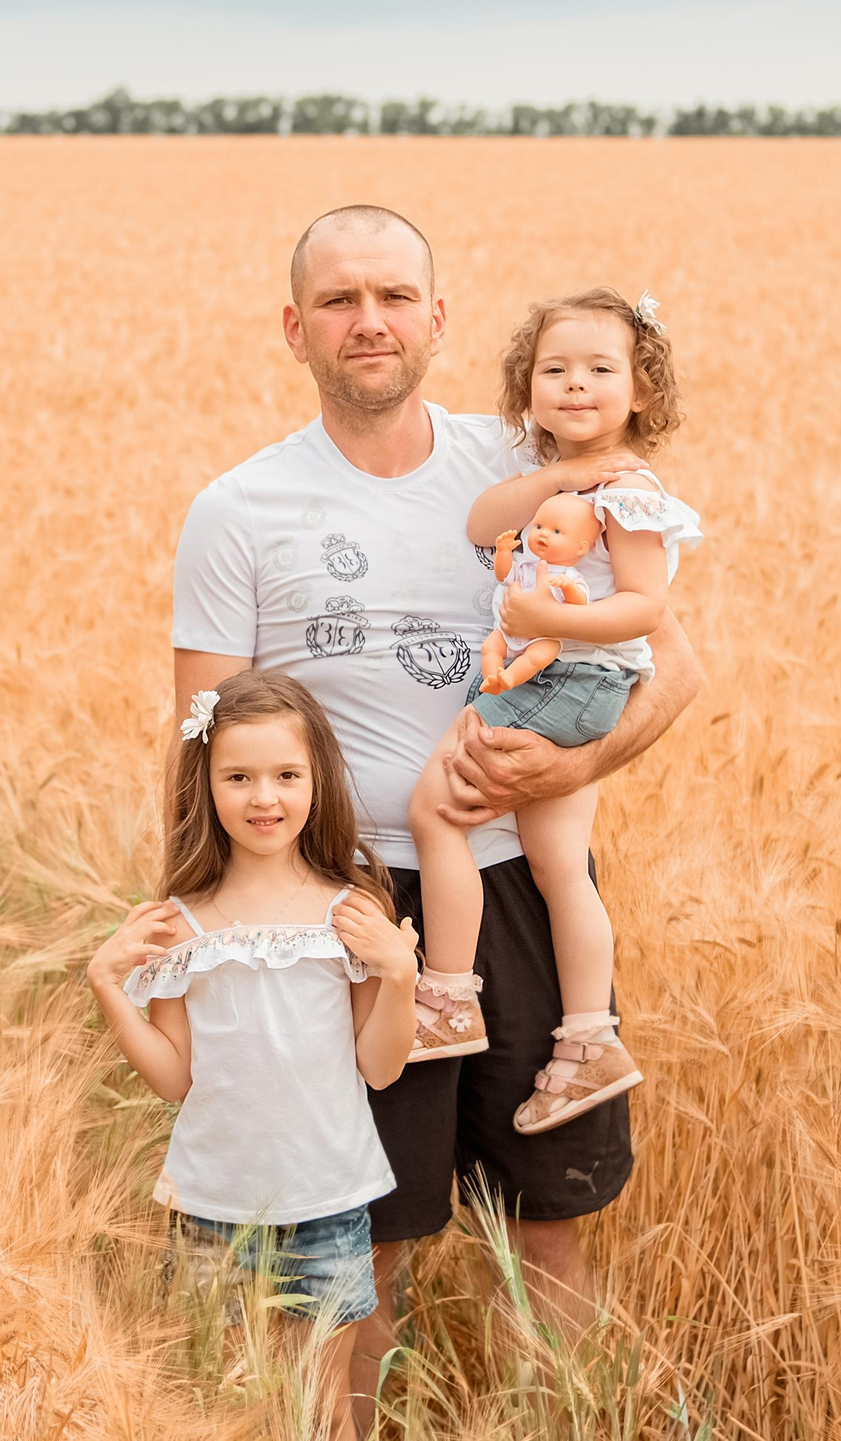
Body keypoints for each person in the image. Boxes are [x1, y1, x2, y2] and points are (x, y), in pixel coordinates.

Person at [167, 206, 704, 1400]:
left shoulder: (532, 467)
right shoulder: (239, 510)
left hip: (520, 893)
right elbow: (199, 739)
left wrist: (570, 770)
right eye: (341, 301)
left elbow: (675, 669)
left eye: (394, 296)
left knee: (547, 1222)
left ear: (438, 318)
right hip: (344, 911)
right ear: (295, 327)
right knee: (359, 1245)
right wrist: (205, 945)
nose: (371, 322)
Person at [88, 669, 420, 1440]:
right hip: (214, 1207)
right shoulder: (180, 925)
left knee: (320, 1410)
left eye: (285, 775)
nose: (263, 797)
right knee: (225, 1407)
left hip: (325, 1200)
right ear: (205, 785)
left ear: (317, 779)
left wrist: (401, 974)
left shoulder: (350, 911)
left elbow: (380, 1066)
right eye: (237, 776)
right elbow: (174, 1078)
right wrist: (108, 985)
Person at [408, 287, 703, 1139]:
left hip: (563, 677)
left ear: (641, 392)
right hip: (573, 678)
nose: (576, 384)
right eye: (555, 369)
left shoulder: (628, 492)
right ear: (527, 386)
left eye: (602, 369)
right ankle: (589, 1040)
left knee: (433, 810)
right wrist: (556, 477)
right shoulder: (565, 477)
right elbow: (481, 523)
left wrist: (548, 618)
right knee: (560, 866)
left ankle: (447, 997)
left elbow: (645, 606)